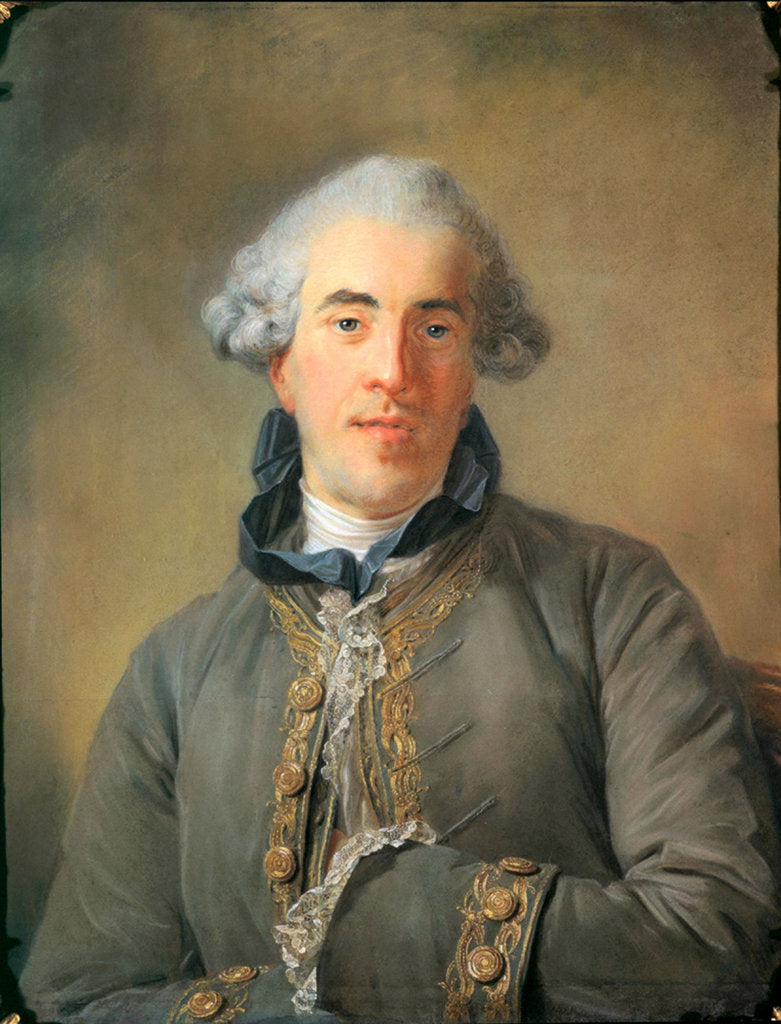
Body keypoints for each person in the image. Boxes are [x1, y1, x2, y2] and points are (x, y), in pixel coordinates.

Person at [19, 155, 780, 1024]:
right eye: (349, 322)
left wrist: (385, 924)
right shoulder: (173, 669)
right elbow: (83, 996)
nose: (392, 369)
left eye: (435, 328)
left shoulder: (614, 596)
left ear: (471, 370)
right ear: (281, 365)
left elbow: (717, 938)